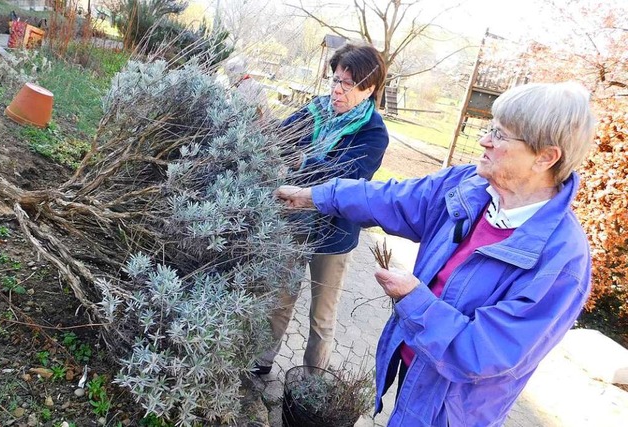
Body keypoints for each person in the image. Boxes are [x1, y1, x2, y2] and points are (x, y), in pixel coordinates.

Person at [274, 81, 596, 426]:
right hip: (414, 372)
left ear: (546, 157)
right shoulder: (468, 187)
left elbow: (483, 353)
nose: (484, 141)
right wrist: (316, 196)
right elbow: (392, 198)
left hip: (453, 410)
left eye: (500, 136)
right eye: (490, 129)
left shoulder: (562, 261)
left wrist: (413, 299)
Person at [253, 43, 389, 375]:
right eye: (335, 79)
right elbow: (282, 138)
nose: (337, 90)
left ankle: (311, 381)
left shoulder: (373, 134)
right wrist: (262, 126)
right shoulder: (315, 110)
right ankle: (261, 361)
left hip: (335, 234)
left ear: (369, 89)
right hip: (294, 222)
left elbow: (344, 177)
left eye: (348, 84)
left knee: (322, 316)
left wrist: (302, 161)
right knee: (279, 299)